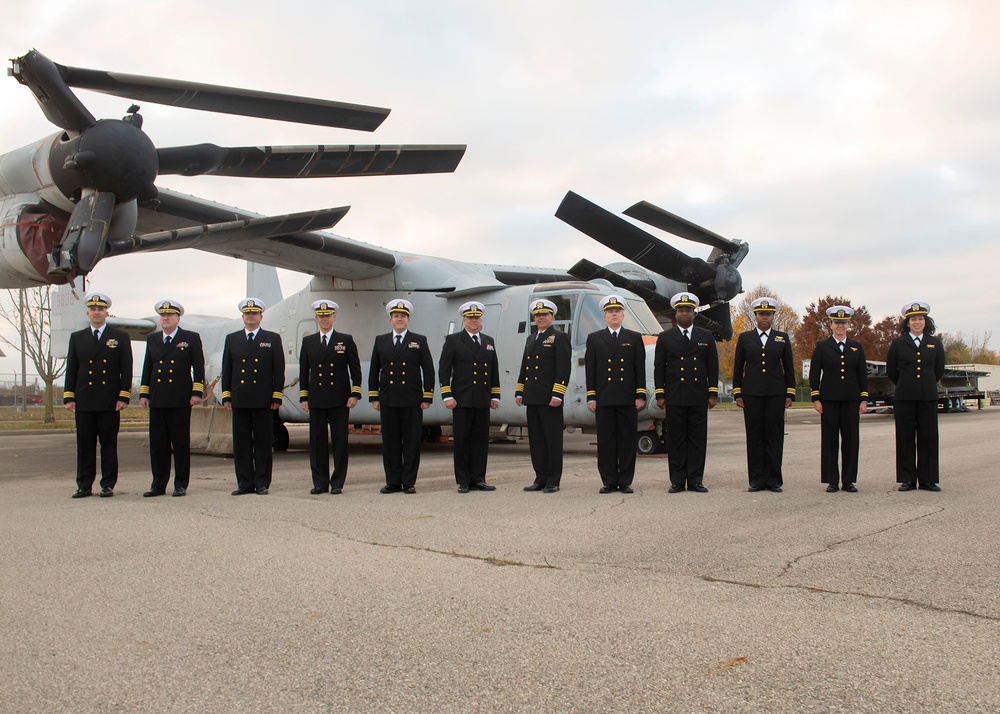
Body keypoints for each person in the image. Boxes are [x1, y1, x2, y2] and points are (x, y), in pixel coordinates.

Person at [65, 292, 133, 499]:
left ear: (106, 313)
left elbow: (126, 369)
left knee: (108, 445)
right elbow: (72, 369)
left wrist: (123, 396)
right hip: (85, 400)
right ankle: (84, 485)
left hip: (109, 401)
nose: (97, 313)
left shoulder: (119, 337)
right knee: (85, 445)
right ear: (88, 313)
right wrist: (69, 396)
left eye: (101, 310)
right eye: (93, 310)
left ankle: (108, 484)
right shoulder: (77, 338)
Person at [139, 300, 205, 497]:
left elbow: (198, 367)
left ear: (178, 318)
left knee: (180, 444)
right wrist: (144, 393)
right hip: (158, 399)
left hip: (180, 399)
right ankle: (158, 484)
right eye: (163, 316)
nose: (166, 318)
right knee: (158, 445)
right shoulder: (153, 340)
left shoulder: (190, 338)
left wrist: (197, 392)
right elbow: (147, 368)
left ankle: (180, 484)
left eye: (170, 315)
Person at [653, 292, 719, 493]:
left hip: (698, 396)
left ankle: (696, 480)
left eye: (688, 311)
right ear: (676, 314)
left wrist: (713, 393)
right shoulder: (665, 337)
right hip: (675, 396)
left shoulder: (705, 336)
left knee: (697, 440)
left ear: (694, 314)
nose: (684, 314)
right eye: (681, 310)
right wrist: (660, 394)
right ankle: (677, 481)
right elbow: (659, 368)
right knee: (676, 440)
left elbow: (712, 366)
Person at [368, 299, 435, 494]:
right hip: (388, 399)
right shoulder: (381, 341)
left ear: (408, 320)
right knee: (391, 442)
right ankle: (393, 481)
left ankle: (409, 482)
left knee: (412, 442)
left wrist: (427, 396)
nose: (400, 319)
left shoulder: (419, 340)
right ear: (390, 320)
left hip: (412, 400)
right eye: (396, 316)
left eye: (403, 316)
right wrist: (374, 396)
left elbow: (428, 370)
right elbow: (375, 370)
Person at [221, 298, 285, 496]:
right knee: (241, 444)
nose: (251, 316)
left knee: (263, 443)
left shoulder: (272, 339)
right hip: (240, 399)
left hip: (263, 400)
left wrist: (276, 396)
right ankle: (244, 483)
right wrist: (226, 396)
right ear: (242, 317)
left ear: (261, 317)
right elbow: (227, 369)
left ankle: (262, 482)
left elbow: (278, 370)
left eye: (254, 313)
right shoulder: (232, 339)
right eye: (247, 313)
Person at [298, 300, 361, 495]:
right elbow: (304, 371)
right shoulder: (308, 342)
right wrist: (304, 397)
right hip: (317, 398)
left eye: (328, 316)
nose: (325, 319)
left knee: (340, 442)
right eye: (321, 316)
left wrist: (355, 393)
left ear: (334, 317)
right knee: (317, 443)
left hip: (339, 399)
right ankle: (319, 482)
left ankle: (337, 482)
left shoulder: (345, 340)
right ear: (316, 318)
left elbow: (355, 369)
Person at [732, 297, 795, 492]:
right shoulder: (745, 338)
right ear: (756, 316)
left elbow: (789, 368)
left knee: (774, 437)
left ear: (773, 316)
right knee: (755, 437)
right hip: (752, 394)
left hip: (776, 394)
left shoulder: (782, 338)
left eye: (768, 314)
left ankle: (774, 479)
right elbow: (738, 367)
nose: (764, 317)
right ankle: (756, 479)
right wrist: (737, 392)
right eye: (761, 314)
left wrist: (790, 393)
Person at [585, 295, 646, 494]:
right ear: (604, 316)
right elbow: (591, 370)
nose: (614, 314)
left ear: (622, 315)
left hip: (627, 398)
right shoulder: (594, 338)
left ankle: (625, 481)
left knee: (627, 441)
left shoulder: (634, 338)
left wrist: (640, 394)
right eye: (610, 312)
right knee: (606, 441)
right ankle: (609, 481)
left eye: (617, 311)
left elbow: (639, 368)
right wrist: (591, 396)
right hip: (604, 398)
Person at [439, 301, 501, 493]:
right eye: (470, 318)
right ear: (463, 319)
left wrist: (495, 395)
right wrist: (447, 395)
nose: (473, 321)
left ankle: (479, 478)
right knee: (463, 440)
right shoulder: (453, 340)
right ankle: (463, 480)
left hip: (482, 399)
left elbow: (493, 370)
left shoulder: (488, 340)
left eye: (476, 317)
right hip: (462, 399)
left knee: (480, 441)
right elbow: (444, 370)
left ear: (481, 319)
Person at [886, 301, 946, 492]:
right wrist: (907, 384)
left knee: (928, 437)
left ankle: (928, 479)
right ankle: (908, 479)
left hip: (927, 397)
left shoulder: (934, 343)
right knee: (905, 438)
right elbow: (891, 371)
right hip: (905, 397)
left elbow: (938, 370)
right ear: (907, 323)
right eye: (913, 319)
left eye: (920, 319)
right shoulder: (898, 344)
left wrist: (924, 385)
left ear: (926, 321)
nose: (917, 322)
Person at [808, 305, 868, 493]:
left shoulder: (856, 347)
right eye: (837, 323)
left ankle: (849, 480)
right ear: (831, 325)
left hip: (851, 400)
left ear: (848, 325)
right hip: (829, 400)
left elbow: (862, 375)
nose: (840, 326)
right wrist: (816, 398)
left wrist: (863, 399)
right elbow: (814, 373)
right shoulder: (822, 346)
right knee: (830, 440)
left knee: (851, 441)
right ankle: (832, 480)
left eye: (843, 323)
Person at [516, 299, 572, 493]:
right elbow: (525, 366)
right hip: (532, 397)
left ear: (552, 317)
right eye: (538, 315)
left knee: (552, 440)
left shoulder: (560, 337)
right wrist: (520, 390)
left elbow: (563, 369)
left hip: (550, 398)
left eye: (545, 315)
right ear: (534, 318)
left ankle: (553, 480)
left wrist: (558, 393)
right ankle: (540, 477)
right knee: (537, 440)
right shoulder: (531, 339)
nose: (541, 318)